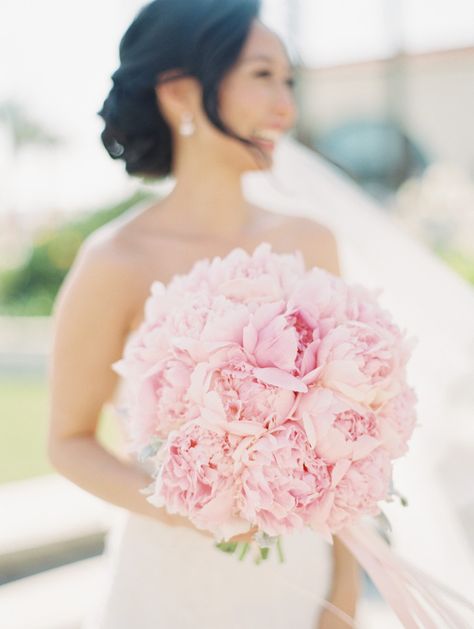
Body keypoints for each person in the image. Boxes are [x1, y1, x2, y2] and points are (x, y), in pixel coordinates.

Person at [47, 1, 361, 627]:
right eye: (262, 75)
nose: (285, 107)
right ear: (179, 93)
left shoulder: (312, 242)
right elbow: (68, 441)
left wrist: (343, 594)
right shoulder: (116, 260)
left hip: (305, 580)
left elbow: (348, 438)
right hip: (172, 587)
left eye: (289, 81)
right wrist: (192, 506)